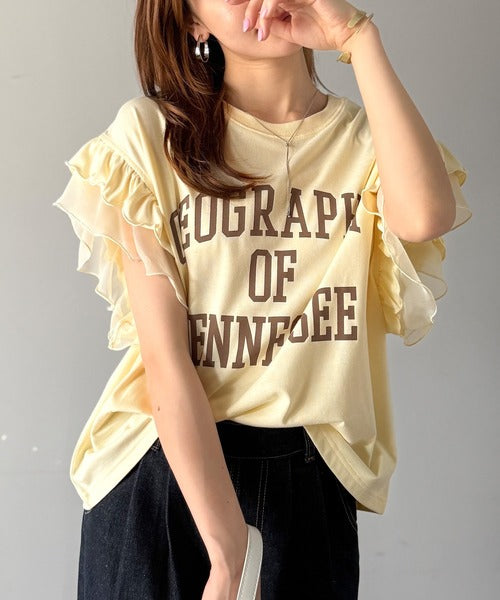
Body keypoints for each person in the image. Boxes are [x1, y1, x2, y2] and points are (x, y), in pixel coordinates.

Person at [52, 1, 472, 599]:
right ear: (193, 22)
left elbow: (426, 216)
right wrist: (228, 548)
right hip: (166, 472)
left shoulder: (368, 139)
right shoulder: (152, 136)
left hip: (310, 476)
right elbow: (166, 360)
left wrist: (358, 37)